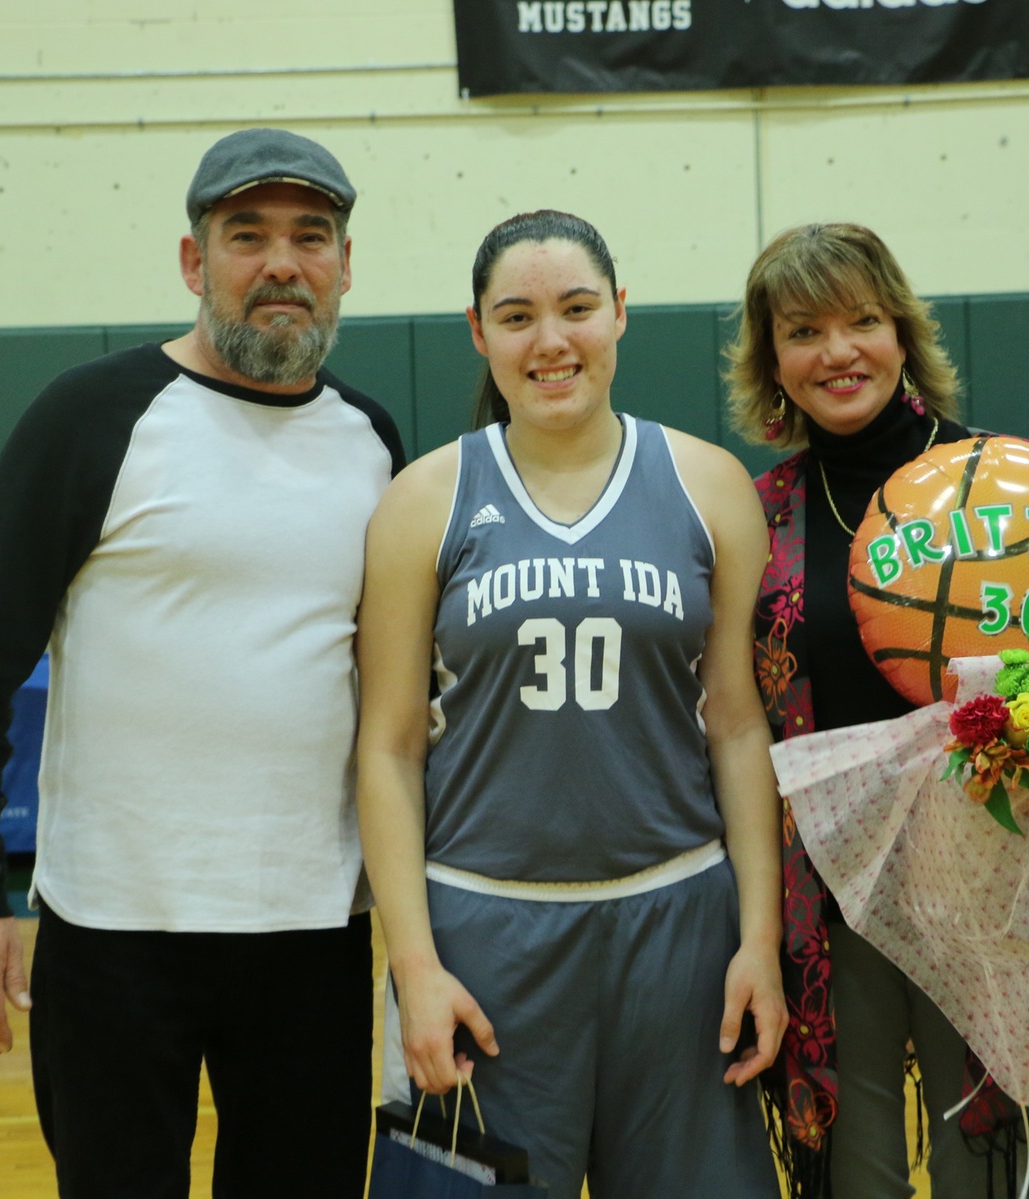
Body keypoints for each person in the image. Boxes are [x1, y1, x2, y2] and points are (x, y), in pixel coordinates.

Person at [0, 128, 404, 1198]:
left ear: (344, 264)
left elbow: (400, 704)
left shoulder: (372, 441)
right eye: (247, 236)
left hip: (314, 934)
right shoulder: (90, 417)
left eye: (310, 236)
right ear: (194, 261)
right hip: (113, 934)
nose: (281, 263)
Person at [356, 210, 785, 1198]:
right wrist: (412, 963)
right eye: (516, 317)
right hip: (484, 934)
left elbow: (734, 723)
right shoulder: (424, 499)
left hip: (679, 925)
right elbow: (386, 748)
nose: (549, 340)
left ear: (619, 313)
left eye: (577, 308)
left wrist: (757, 940)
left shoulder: (709, 484)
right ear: (478, 332)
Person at [727, 223, 1029, 1199]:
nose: (836, 351)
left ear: (900, 331)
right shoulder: (758, 513)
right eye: (803, 331)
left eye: (861, 321)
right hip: (828, 894)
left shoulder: (1005, 485)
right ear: (771, 360)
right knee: (857, 1165)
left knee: (986, 1159)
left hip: (986, 882)